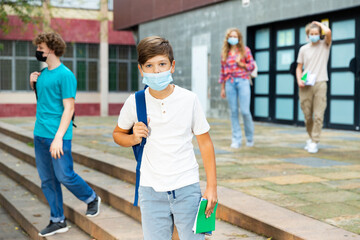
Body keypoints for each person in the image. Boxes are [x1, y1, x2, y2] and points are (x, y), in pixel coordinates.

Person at [113, 36, 217, 240]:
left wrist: (211, 187)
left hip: (186, 187)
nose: (156, 71)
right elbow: (118, 134)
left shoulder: (189, 99)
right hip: (150, 190)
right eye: (149, 66)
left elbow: (205, 143)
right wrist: (133, 138)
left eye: (162, 64)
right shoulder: (135, 102)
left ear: (172, 66)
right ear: (141, 69)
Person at [29, 32, 101, 237]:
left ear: (51, 49)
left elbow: (69, 109)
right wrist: (32, 83)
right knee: (47, 180)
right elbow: (45, 103)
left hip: (58, 135)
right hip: (40, 134)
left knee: (64, 175)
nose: (38, 51)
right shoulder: (42, 75)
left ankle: (91, 198)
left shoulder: (66, 75)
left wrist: (59, 137)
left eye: (41, 47)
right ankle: (57, 220)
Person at [296, 21, 332, 153]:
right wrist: (299, 80)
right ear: (308, 35)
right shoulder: (303, 49)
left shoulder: (325, 45)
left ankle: (314, 141)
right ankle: (311, 138)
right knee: (307, 116)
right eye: (312, 34)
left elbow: (328, 32)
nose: (314, 36)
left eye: (316, 34)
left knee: (318, 115)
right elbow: (299, 68)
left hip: (321, 82)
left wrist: (318, 24)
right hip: (306, 83)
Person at [219, 28, 255, 149]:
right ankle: (236, 139)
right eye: (231, 36)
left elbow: (252, 66)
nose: (233, 38)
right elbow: (223, 72)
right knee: (233, 112)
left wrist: (241, 64)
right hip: (230, 83)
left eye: (235, 36)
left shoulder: (245, 51)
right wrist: (222, 88)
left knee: (245, 111)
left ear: (239, 38)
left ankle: (250, 138)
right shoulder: (225, 53)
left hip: (243, 81)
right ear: (227, 38)